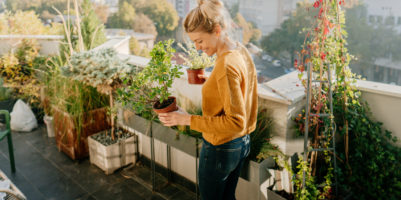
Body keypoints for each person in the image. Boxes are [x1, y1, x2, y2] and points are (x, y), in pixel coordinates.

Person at [157, 0, 258, 199]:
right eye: (194, 42)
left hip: (222, 148)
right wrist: (212, 80)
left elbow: (236, 122)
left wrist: (185, 119)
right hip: (242, 144)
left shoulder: (225, 67)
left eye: (200, 41)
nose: (197, 47)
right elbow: (242, 87)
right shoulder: (239, 50)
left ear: (217, 30)